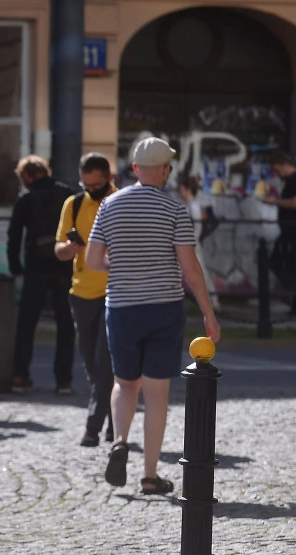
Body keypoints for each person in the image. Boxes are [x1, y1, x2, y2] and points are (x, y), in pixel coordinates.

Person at [85, 137, 221, 495]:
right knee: (157, 393)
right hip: (163, 308)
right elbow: (190, 269)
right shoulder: (174, 209)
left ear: (133, 169)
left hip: (122, 308)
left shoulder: (109, 206)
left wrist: (123, 263)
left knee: (124, 383)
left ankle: (119, 442)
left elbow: (93, 262)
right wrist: (208, 314)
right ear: (165, 170)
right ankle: (149, 476)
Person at [55, 153, 116, 447]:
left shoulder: (120, 201)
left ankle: (92, 428)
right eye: (86, 184)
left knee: (106, 363)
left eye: (98, 184)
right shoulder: (74, 203)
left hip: (114, 293)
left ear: (109, 178)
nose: (92, 189)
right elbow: (59, 250)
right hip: (80, 293)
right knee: (92, 365)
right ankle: (116, 421)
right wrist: (70, 248)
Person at [7, 156, 78, 396]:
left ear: (26, 175)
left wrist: (15, 266)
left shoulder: (26, 198)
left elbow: (14, 235)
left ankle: (20, 377)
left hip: (35, 268)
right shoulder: (67, 193)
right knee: (66, 325)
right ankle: (64, 381)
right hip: (64, 265)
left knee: (26, 324)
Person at [261, 152, 296, 312]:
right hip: (288, 231)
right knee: (281, 263)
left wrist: (275, 201)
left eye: (277, 170)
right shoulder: (291, 181)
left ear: (285, 165)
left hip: (295, 231)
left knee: (287, 264)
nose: (277, 174)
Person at [178, 174, 221, 313]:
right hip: (189, 246)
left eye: (181, 189)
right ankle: (213, 302)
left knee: (201, 275)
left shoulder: (193, 206)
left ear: (187, 189)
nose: (180, 192)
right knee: (200, 275)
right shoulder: (191, 206)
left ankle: (213, 302)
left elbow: (196, 228)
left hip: (190, 247)